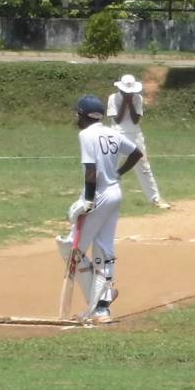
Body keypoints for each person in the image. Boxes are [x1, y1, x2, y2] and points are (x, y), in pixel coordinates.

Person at [69, 95, 145, 320]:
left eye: (78, 114)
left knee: (71, 249)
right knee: (103, 249)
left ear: (83, 115)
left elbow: (90, 170)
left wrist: (88, 200)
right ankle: (102, 306)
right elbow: (137, 153)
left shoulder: (86, 135)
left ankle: (97, 301)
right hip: (115, 193)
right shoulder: (113, 133)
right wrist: (118, 173)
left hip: (99, 194)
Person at [106, 73, 170, 209]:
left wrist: (130, 103)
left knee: (143, 166)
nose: (129, 94)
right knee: (112, 166)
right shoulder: (113, 98)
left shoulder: (138, 98)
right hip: (117, 133)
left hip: (135, 134)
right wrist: (125, 102)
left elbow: (135, 120)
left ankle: (155, 198)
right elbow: (118, 119)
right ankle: (106, 198)